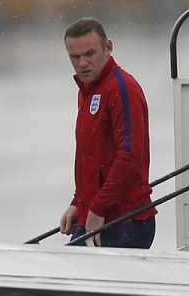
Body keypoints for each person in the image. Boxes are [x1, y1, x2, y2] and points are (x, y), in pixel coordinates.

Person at [59, 18, 156, 248]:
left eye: (90, 54)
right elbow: (92, 159)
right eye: (75, 57)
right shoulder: (87, 91)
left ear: (108, 48)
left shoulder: (122, 88)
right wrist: (78, 202)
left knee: (75, 279)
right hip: (95, 214)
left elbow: (131, 154)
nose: (82, 63)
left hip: (126, 220)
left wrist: (98, 207)